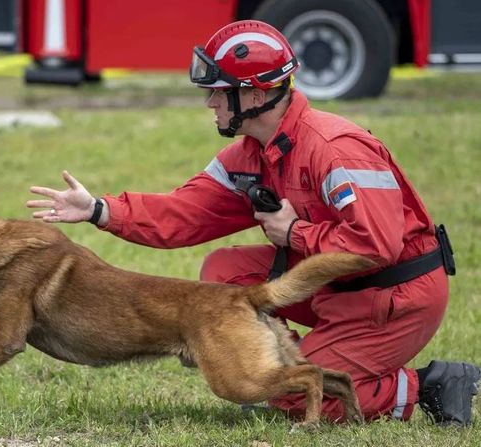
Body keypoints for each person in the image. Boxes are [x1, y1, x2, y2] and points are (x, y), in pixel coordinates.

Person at [26, 20, 479, 425]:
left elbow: (377, 245)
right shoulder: (250, 152)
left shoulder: (334, 148)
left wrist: (295, 233)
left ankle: (425, 385)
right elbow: (185, 212)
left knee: (296, 397)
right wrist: (99, 209)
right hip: (333, 284)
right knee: (222, 277)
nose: (210, 103)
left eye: (220, 92)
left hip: (393, 294)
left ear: (256, 95)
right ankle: (284, 363)